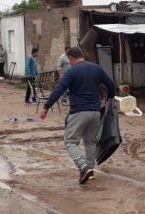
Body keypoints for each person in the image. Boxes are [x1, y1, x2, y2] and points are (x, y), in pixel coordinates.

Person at [40, 47, 116, 184]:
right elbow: (111, 85)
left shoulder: (71, 72)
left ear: (71, 58)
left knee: (70, 142)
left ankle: (83, 166)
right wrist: (109, 100)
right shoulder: (96, 68)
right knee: (90, 142)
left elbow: (59, 89)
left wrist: (46, 106)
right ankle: (90, 171)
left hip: (79, 112)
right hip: (95, 112)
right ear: (82, 55)